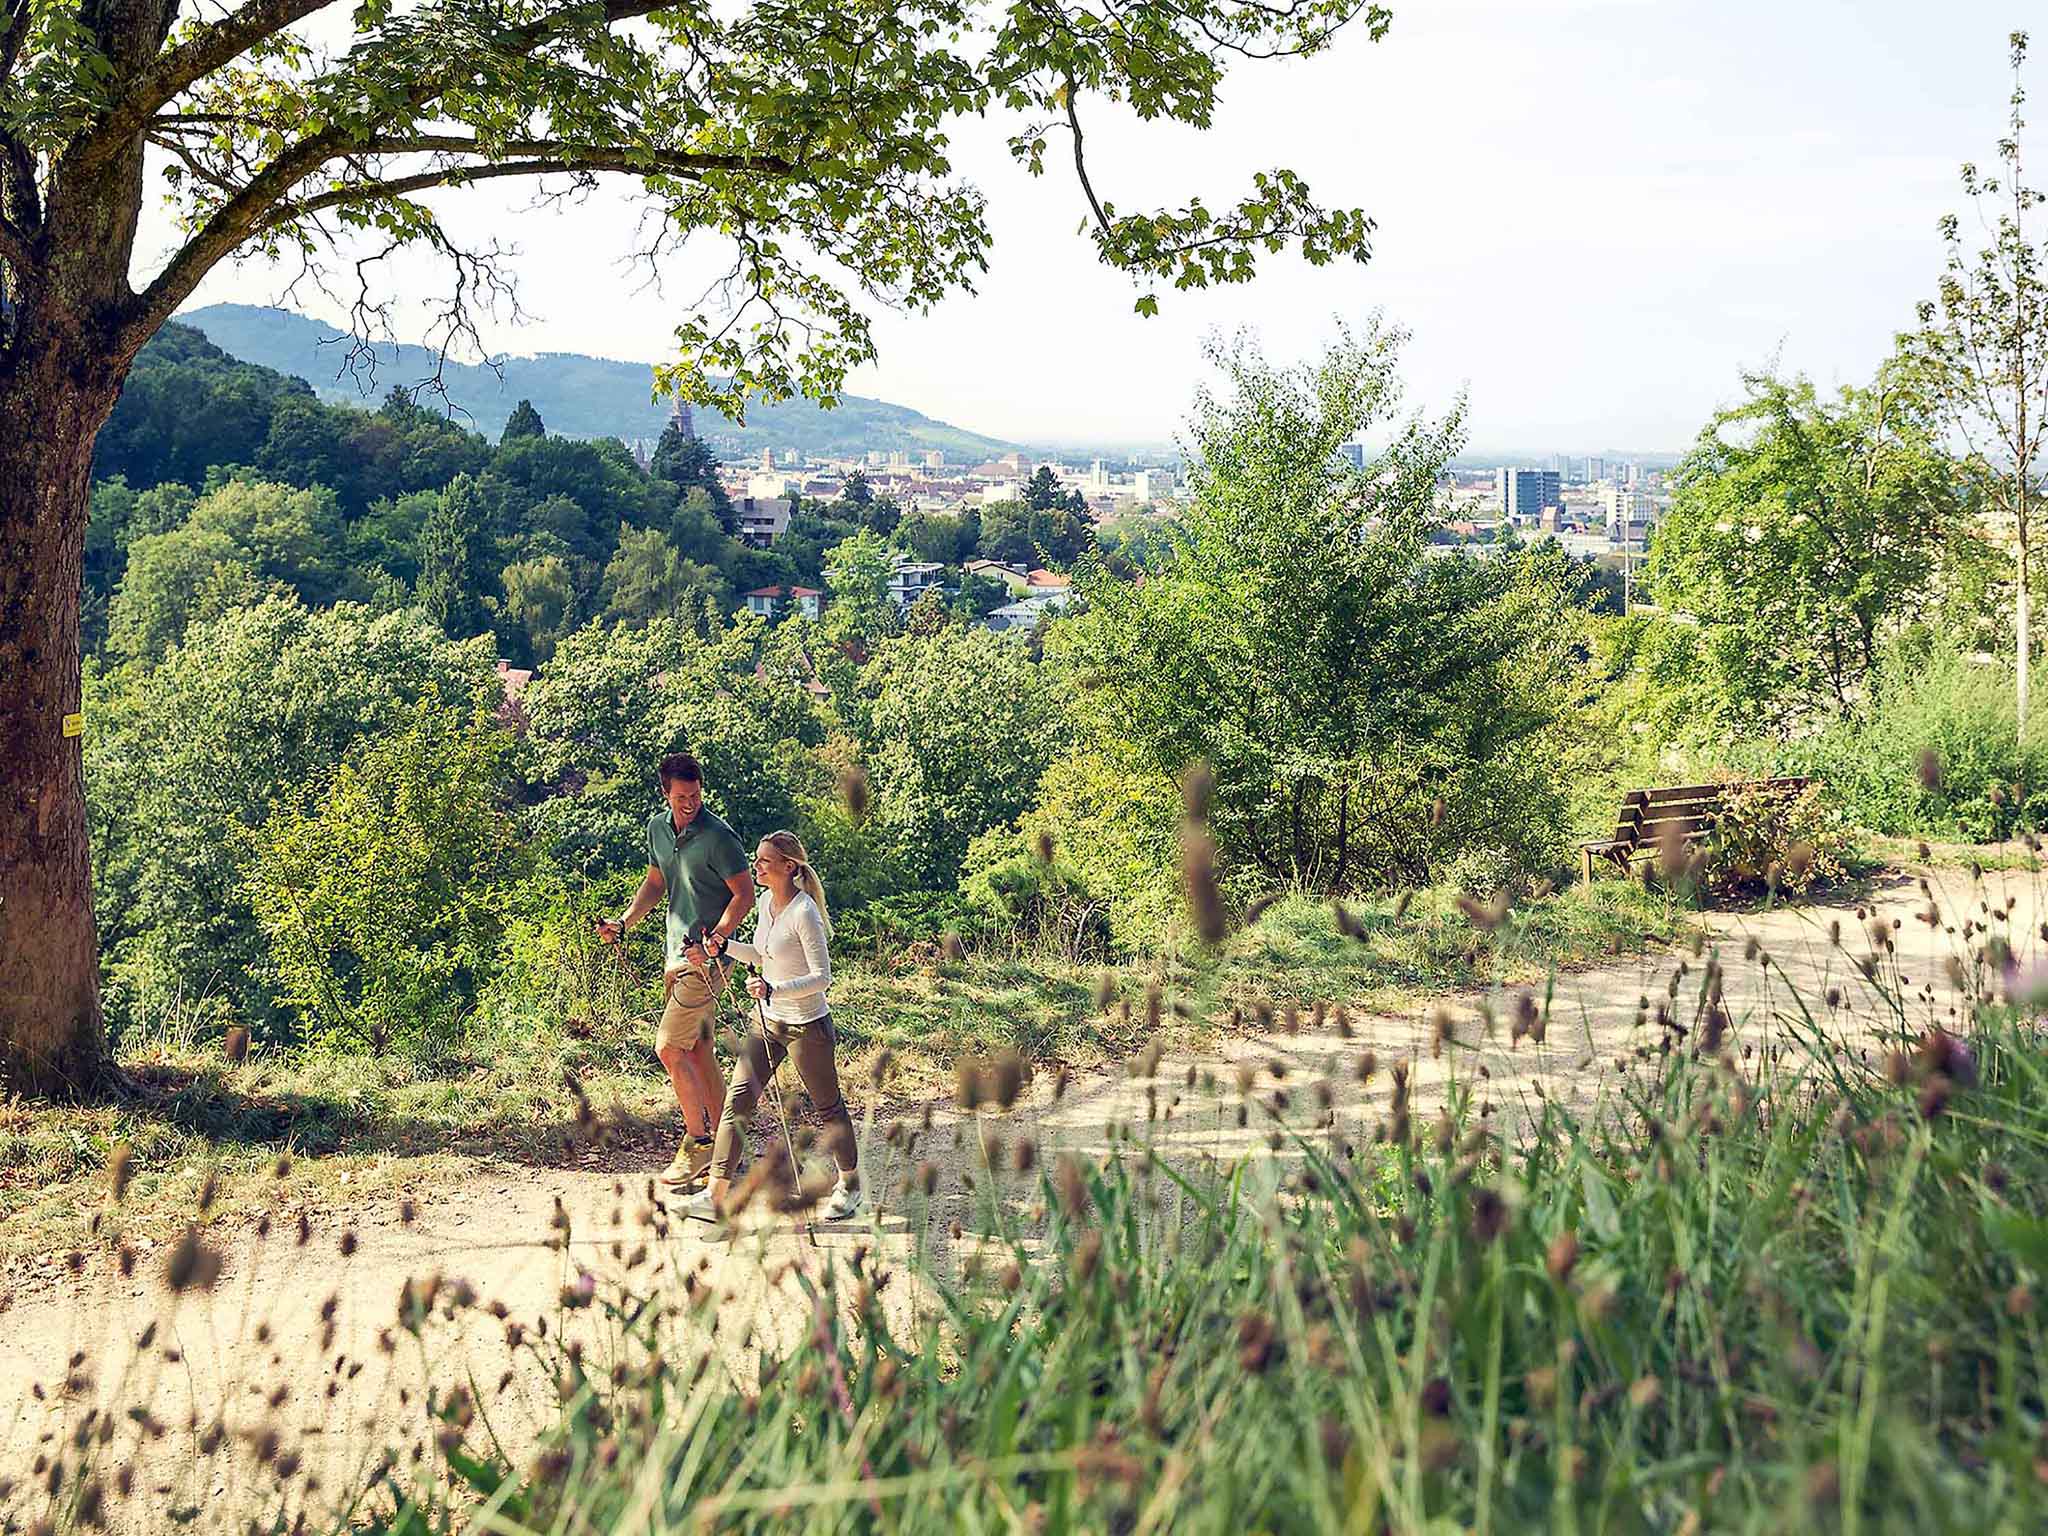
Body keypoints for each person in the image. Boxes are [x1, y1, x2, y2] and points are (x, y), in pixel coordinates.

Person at [680, 830, 860, 1223]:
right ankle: (715, 1196)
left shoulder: (804, 912)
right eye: (757, 858)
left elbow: (822, 977)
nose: (757, 865)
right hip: (767, 1021)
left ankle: (850, 1184)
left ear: (789, 866)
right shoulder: (766, 903)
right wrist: (724, 946)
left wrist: (774, 988)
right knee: (738, 1100)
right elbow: (762, 954)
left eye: (765, 860)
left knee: (828, 1106)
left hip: (806, 1025)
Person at [597, 752, 754, 1188]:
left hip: (707, 960)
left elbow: (744, 894)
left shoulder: (719, 837)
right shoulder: (658, 829)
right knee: (697, 1050)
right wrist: (624, 922)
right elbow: (656, 882)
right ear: (665, 793)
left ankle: (699, 1142)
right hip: (674, 954)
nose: (690, 803)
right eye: (682, 796)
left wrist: (717, 938)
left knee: (668, 1047)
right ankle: (730, 1148)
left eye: (696, 794)